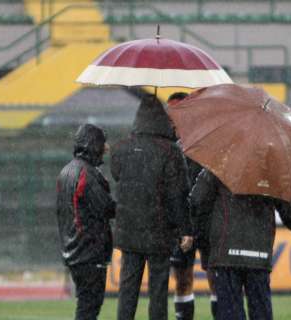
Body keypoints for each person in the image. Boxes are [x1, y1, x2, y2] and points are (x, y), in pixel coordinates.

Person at [190, 169, 291, 320]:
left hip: (226, 253)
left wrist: (200, 234)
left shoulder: (221, 165)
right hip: (258, 254)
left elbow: (197, 200)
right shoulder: (274, 171)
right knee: (261, 313)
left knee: (229, 314)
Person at [111, 94, 193, 320]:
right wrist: (185, 228)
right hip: (159, 231)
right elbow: (179, 194)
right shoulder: (171, 151)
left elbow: (117, 174)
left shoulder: (122, 148)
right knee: (158, 291)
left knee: (127, 290)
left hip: (129, 231)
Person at [55, 123, 116, 320]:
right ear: (93, 145)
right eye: (102, 143)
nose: (105, 148)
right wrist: (131, 208)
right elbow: (105, 208)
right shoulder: (87, 173)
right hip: (89, 250)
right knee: (89, 308)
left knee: (86, 305)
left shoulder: (66, 171)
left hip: (73, 248)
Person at [167, 92, 217, 320]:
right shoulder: (166, 146)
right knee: (183, 279)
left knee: (215, 277)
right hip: (180, 223)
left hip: (207, 222)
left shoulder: (206, 143)